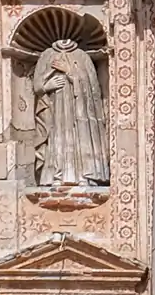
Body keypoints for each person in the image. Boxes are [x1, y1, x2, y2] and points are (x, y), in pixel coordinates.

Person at [33, 38, 109, 191]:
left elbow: (93, 86)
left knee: (79, 137)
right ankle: (55, 175)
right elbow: (37, 84)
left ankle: (83, 176)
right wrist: (47, 86)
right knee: (57, 137)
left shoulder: (82, 56)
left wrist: (71, 72)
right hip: (55, 108)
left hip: (79, 110)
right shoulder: (47, 55)